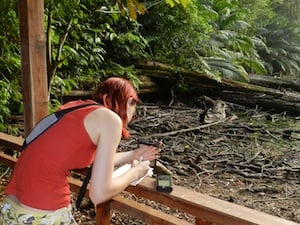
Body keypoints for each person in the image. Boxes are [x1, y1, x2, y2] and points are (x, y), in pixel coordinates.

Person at [0, 77, 161, 225]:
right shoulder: (112, 120)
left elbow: (92, 159)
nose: (133, 114)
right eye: (134, 105)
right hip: (42, 214)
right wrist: (136, 171)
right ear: (129, 100)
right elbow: (99, 194)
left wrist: (135, 154)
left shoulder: (77, 107)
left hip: (11, 210)